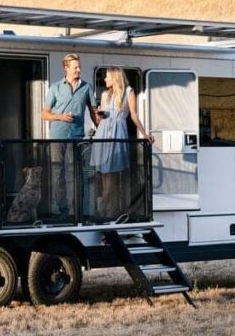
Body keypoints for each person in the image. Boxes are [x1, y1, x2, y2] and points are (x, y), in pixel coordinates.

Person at [90, 67, 154, 221]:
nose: (105, 80)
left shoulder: (129, 92)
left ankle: (104, 210)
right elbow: (101, 118)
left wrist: (144, 133)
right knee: (105, 175)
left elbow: (133, 115)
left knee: (111, 175)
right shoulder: (105, 94)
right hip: (103, 134)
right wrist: (100, 115)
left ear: (115, 77)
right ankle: (107, 210)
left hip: (117, 134)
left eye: (107, 77)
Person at [42, 53, 98, 216]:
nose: (79, 70)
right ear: (66, 68)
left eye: (79, 67)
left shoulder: (87, 87)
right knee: (57, 173)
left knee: (75, 174)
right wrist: (59, 116)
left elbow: (94, 113)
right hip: (57, 137)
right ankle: (62, 209)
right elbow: (44, 114)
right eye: (75, 67)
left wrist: (102, 127)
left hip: (77, 138)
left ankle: (77, 210)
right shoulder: (55, 87)